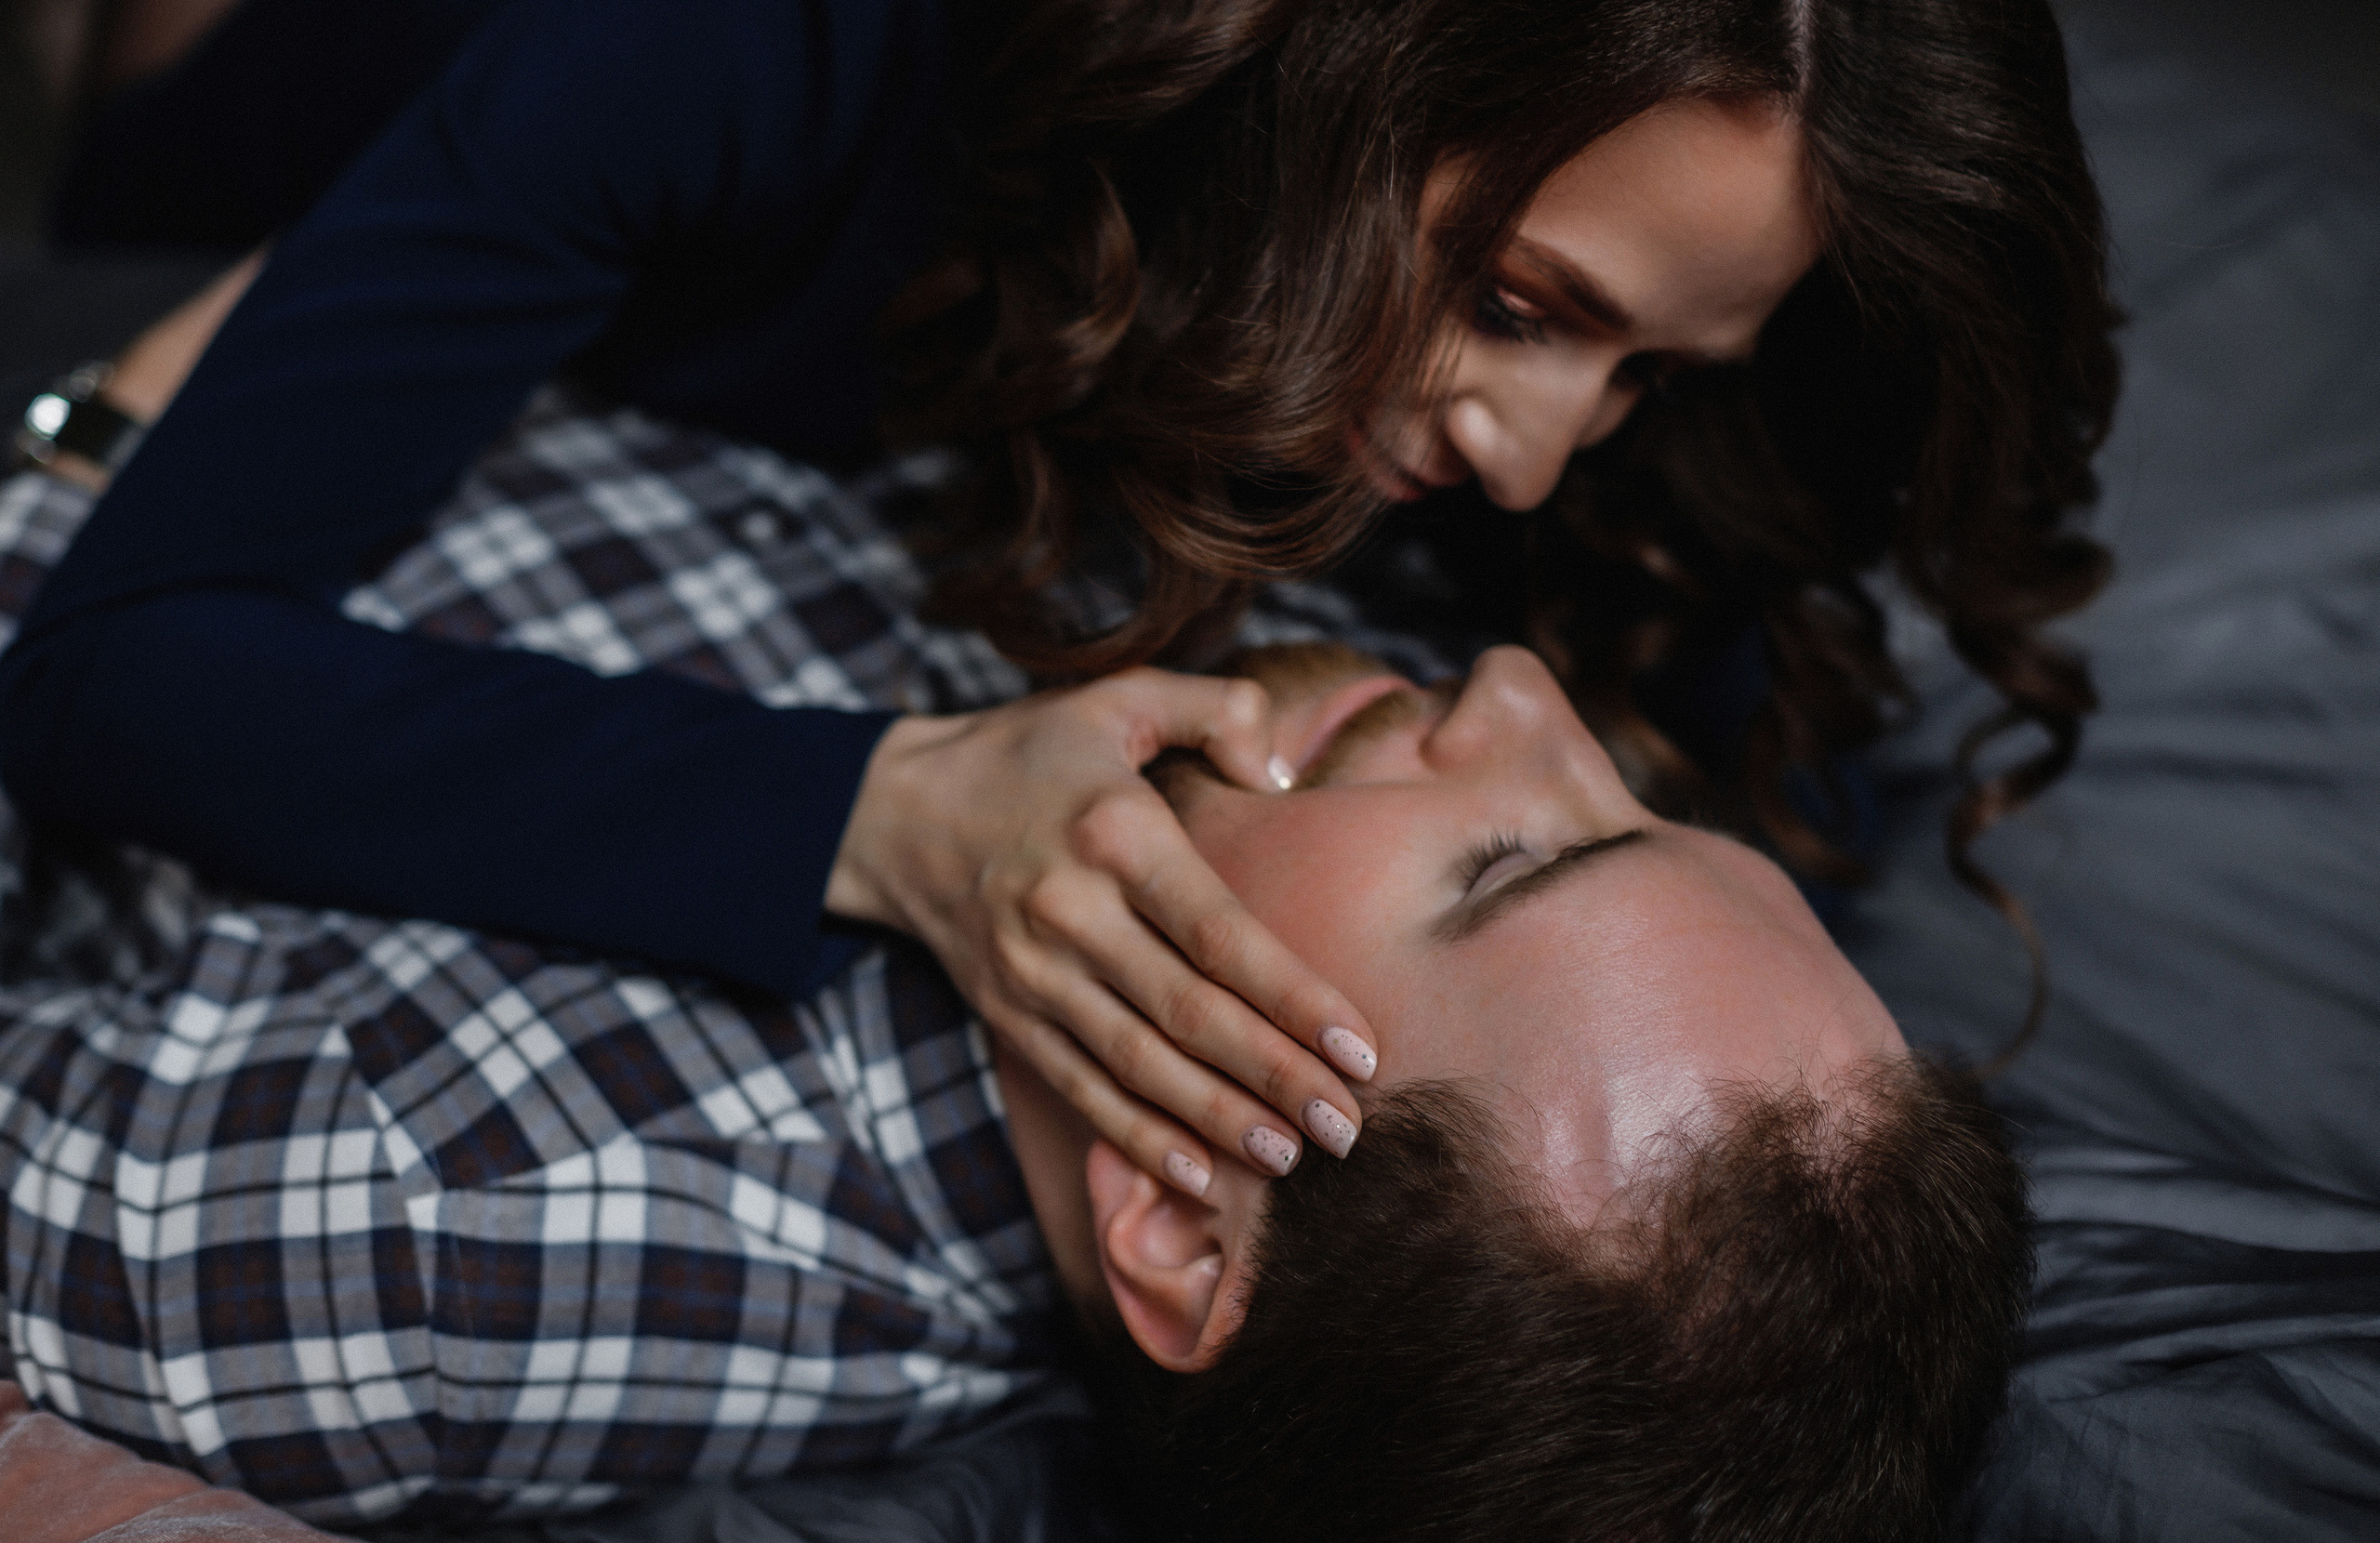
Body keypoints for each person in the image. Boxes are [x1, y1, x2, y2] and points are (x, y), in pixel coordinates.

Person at [0, 0, 2120, 1204]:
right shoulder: (764, 50)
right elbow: (117, 668)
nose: (1536, 453)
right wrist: (881, 808)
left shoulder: (1549, 360)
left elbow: (1737, 755)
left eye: (1645, 368)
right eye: (1507, 302)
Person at [0, 398, 2027, 1543]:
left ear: (1175, 1203)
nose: (1518, 701)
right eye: (1639, 798)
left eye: (1508, 855)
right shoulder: (1269, 725)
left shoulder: (456, 1219)